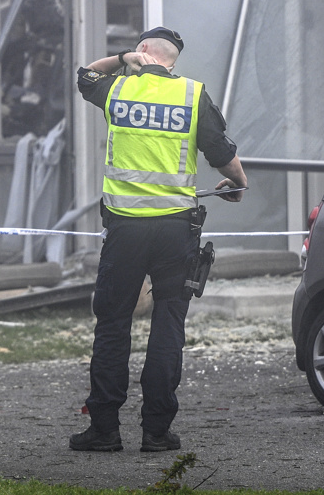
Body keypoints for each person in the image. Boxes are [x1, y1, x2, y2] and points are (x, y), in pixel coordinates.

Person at [69, 26, 246, 453]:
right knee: (168, 326)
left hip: (125, 229)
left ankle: (105, 430)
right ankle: (156, 432)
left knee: (113, 325)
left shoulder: (118, 89)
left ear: (143, 50)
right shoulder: (191, 94)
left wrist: (123, 58)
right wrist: (237, 182)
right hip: (175, 231)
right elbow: (220, 152)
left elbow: (84, 75)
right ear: (173, 59)